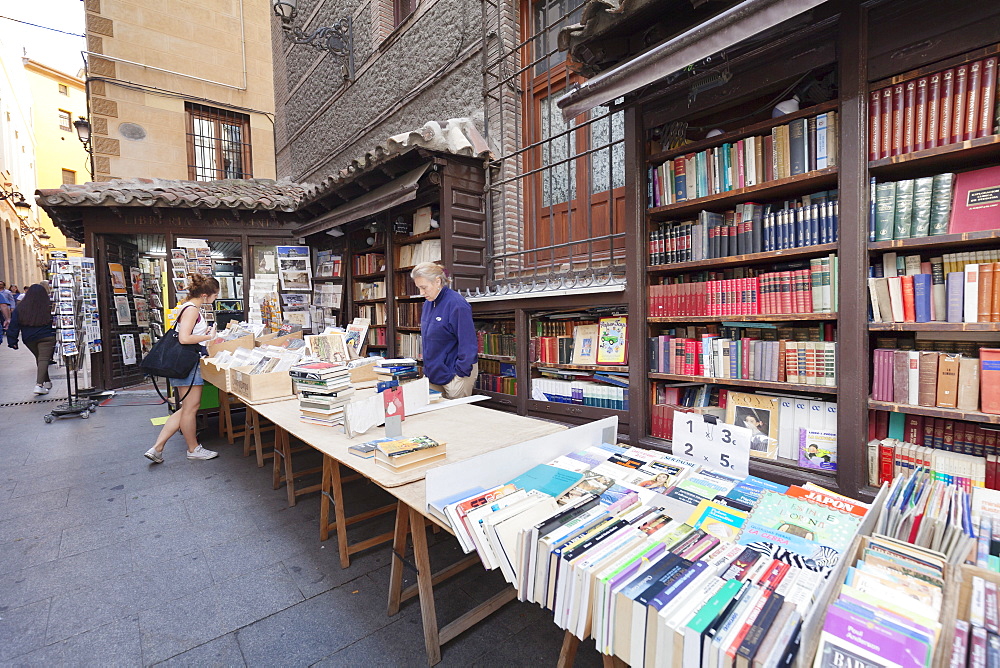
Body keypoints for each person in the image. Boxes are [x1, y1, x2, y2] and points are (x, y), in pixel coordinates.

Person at [144, 273, 220, 463]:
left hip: (182, 364)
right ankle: (193, 449)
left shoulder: (187, 306)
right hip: (187, 364)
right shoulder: (192, 309)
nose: (215, 298)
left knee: (186, 408)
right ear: (205, 295)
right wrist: (208, 336)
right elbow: (184, 338)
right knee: (191, 408)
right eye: (215, 294)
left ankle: (157, 447)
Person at [411, 262, 478, 399]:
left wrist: (460, 372)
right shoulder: (428, 304)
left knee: (456, 418)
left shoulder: (457, 304)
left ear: (437, 281)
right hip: (433, 374)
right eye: (419, 288)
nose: (421, 293)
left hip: (455, 376)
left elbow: (468, 343)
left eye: (424, 287)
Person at [5, 284, 57, 394]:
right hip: (47, 336)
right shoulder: (49, 306)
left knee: (40, 358)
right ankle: (39, 385)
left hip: (29, 338)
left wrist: (12, 340)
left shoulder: (21, 307)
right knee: (43, 359)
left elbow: (14, 325)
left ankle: (47, 381)